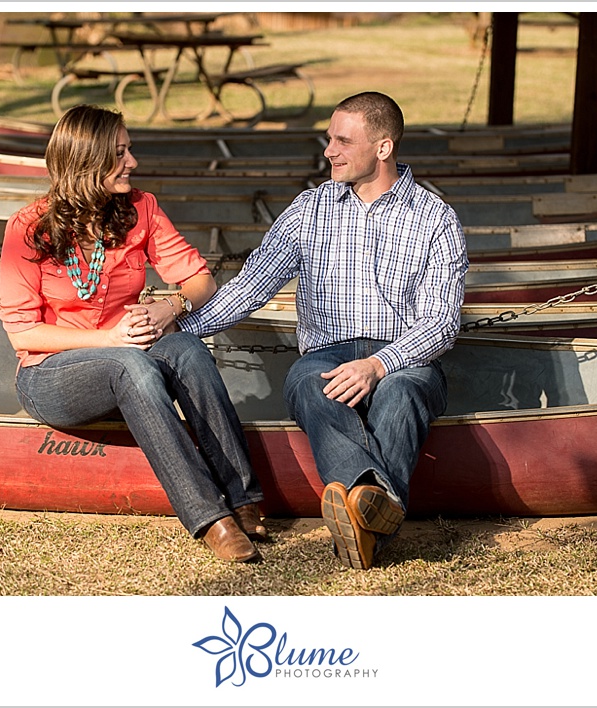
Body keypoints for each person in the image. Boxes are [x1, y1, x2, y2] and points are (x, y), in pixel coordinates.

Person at [179, 91, 468, 570]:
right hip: (326, 356)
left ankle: (359, 511)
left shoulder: (434, 218)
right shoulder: (309, 210)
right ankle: (371, 508)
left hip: (405, 358)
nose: (328, 151)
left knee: (401, 394)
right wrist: (184, 327)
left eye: (341, 140)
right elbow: (251, 286)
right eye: (328, 139)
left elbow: (440, 324)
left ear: (383, 148)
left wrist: (378, 364)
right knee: (310, 385)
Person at [0, 104, 267, 563]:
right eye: (120, 153)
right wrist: (110, 340)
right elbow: (23, 333)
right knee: (131, 365)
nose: (133, 162)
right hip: (51, 375)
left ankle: (243, 499)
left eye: (130, 150)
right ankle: (209, 517)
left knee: (184, 346)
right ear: (86, 160)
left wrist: (170, 306)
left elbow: (201, 281)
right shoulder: (28, 228)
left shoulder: (142, 208)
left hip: (131, 352)